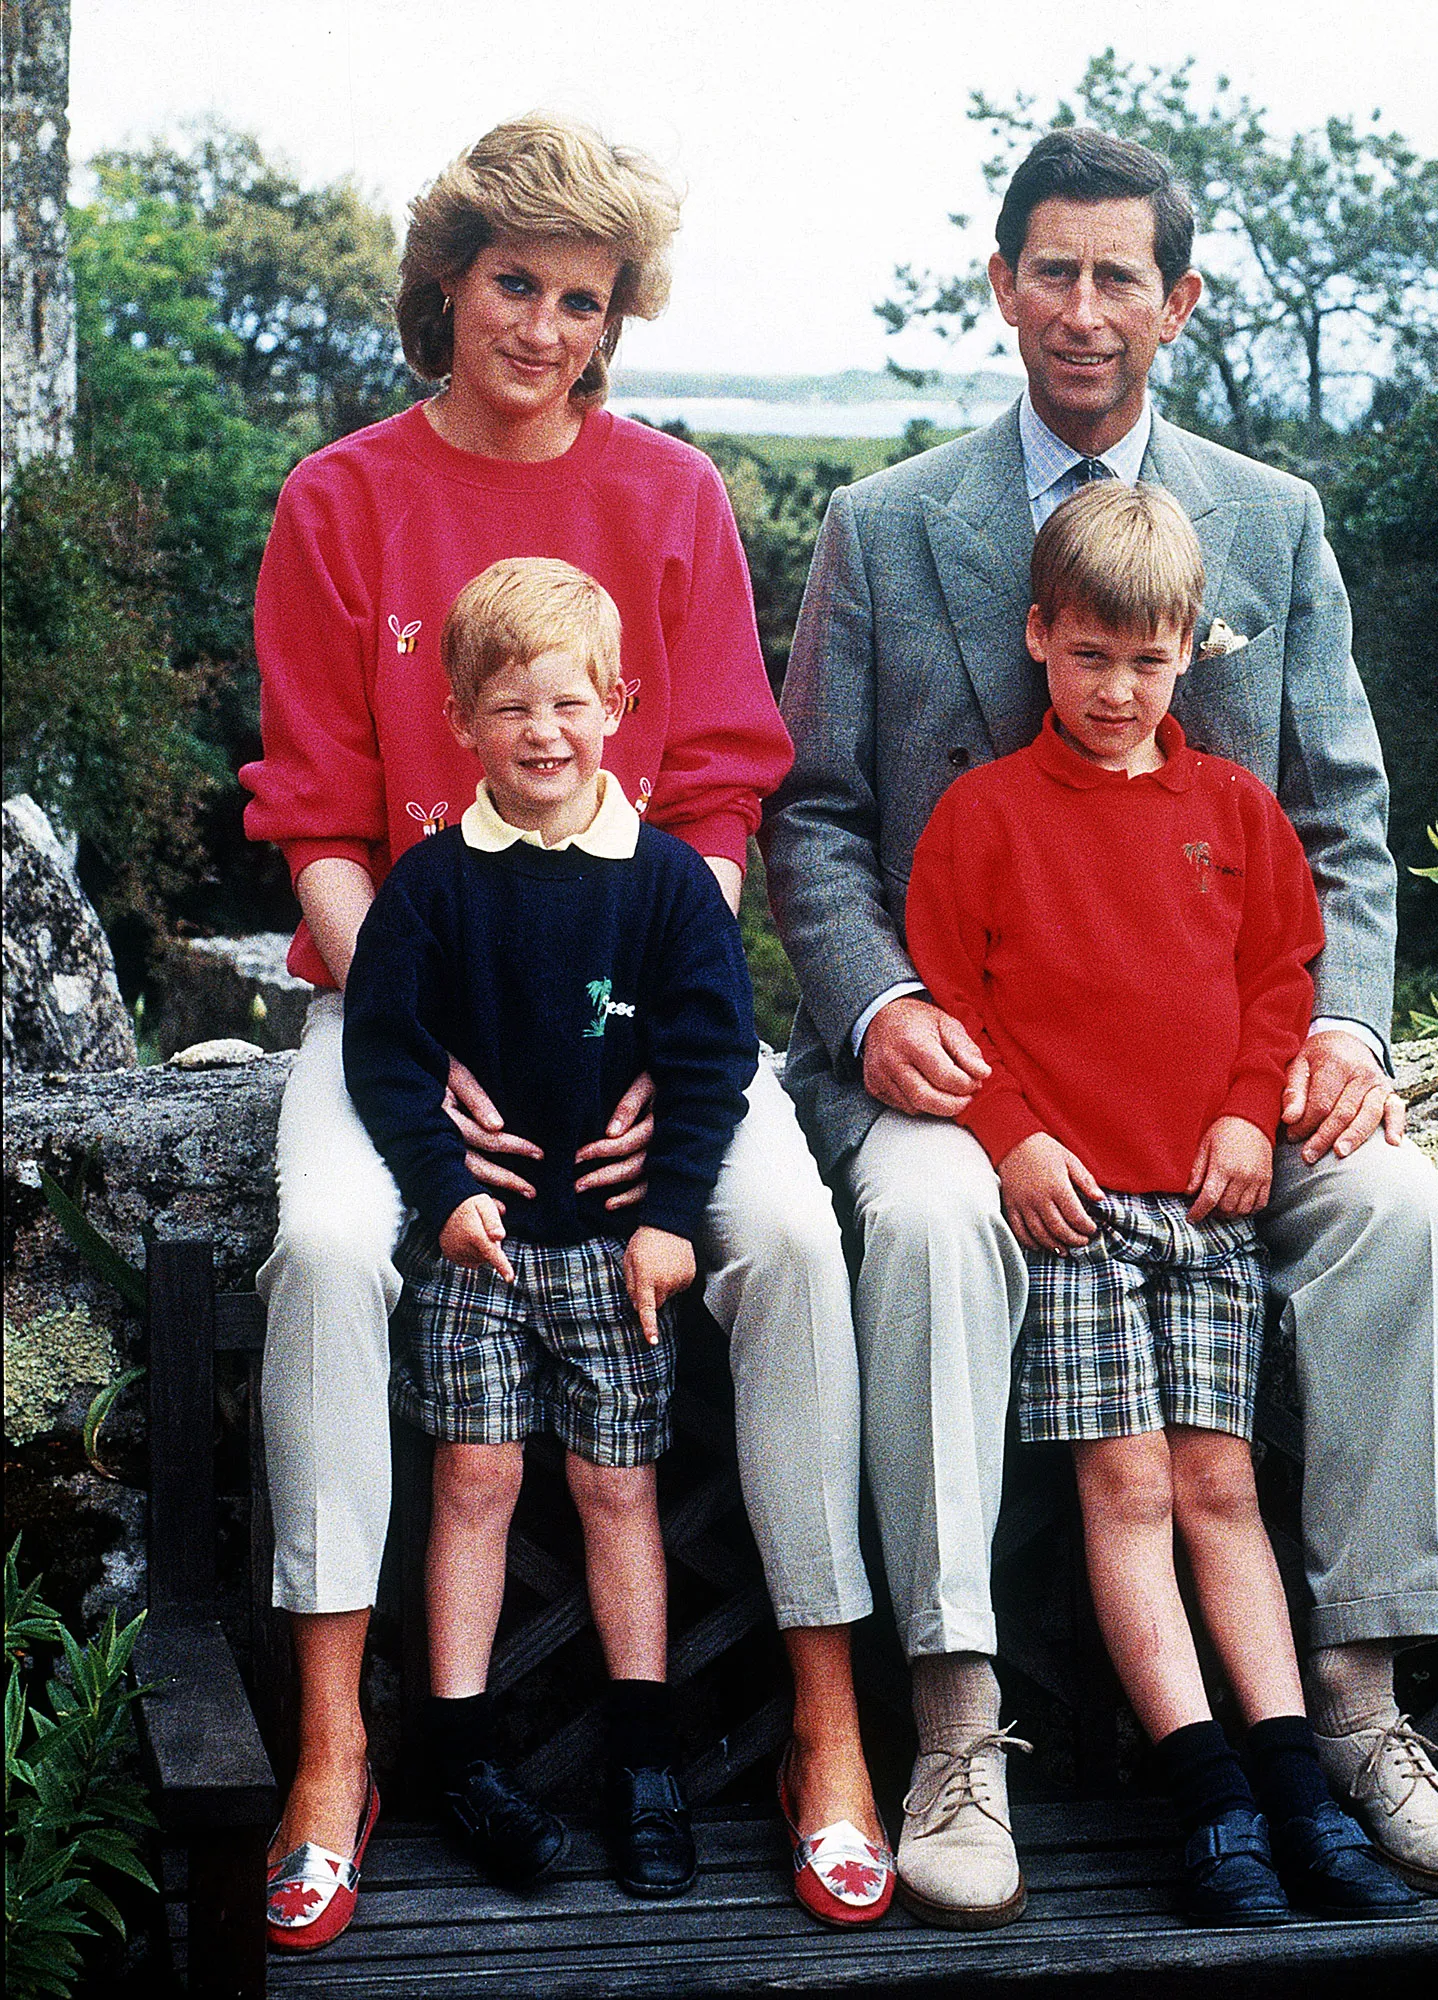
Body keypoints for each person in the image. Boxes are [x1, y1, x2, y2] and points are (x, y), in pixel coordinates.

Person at [763, 125, 1438, 1922]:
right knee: (933, 1221)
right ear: (1000, 281)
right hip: (974, 1076)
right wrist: (873, 1006)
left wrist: (1338, 1033)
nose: (1082, 310)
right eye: (1050, 270)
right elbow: (808, 817)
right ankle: (954, 1721)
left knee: (1399, 1210)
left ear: (1176, 300)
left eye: (1120, 277)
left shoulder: (1269, 522)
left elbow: (1333, 819)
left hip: (1222, 1089)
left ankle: (1352, 1707)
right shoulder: (884, 526)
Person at [244, 113, 889, 1951]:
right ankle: (329, 1754)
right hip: (400, 999)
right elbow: (313, 823)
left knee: (783, 1234)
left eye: (582, 300)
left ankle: (828, 1732)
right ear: (446, 282)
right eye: (513, 284)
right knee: (320, 1246)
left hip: (637, 1014)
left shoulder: (671, 499)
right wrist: (411, 1022)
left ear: (617, 322)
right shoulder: (337, 499)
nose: (542, 326)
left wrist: (639, 1066)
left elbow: (713, 811)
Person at [906, 478, 1417, 1924]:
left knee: (1218, 1490)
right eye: (1086, 657)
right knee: (1123, 1491)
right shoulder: (982, 815)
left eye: (1145, 660)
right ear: (1036, 640)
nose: (1115, 689)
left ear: (1188, 647)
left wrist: (1249, 1113)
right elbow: (950, 1009)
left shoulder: (1233, 812)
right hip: (1071, 1213)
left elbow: (1278, 982)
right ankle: (1206, 1802)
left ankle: (1297, 1792)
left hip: (1204, 1204)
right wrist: (1008, 1138)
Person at [342, 557, 756, 1900]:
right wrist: (441, 1194)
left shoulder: (667, 888)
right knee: (472, 1485)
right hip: (484, 1248)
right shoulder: (428, 889)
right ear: (459, 719)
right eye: (509, 707)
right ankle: (458, 1751)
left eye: (571, 704)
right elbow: (390, 1061)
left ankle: (645, 1756)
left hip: (617, 1251)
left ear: (620, 706)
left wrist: (677, 1218)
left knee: (618, 1489)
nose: (543, 733)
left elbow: (710, 1062)